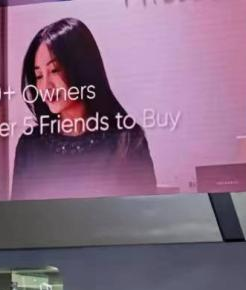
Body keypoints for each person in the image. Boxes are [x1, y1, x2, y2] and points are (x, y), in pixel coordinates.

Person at [10, 18, 157, 201]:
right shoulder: (30, 145)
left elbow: (143, 211)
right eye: (38, 75)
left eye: (54, 70)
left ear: (81, 67)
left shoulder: (127, 140)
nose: (45, 86)